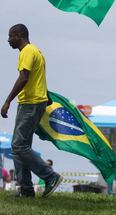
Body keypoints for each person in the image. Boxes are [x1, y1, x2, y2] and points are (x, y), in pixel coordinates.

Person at [1, 24, 63, 198]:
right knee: (20, 147)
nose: (8, 40)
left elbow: (24, 77)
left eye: (10, 36)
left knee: (18, 145)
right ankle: (26, 190)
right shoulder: (36, 51)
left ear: (19, 35)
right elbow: (38, 78)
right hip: (34, 102)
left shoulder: (27, 51)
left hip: (31, 103)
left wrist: (7, 101)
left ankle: (51, 177)